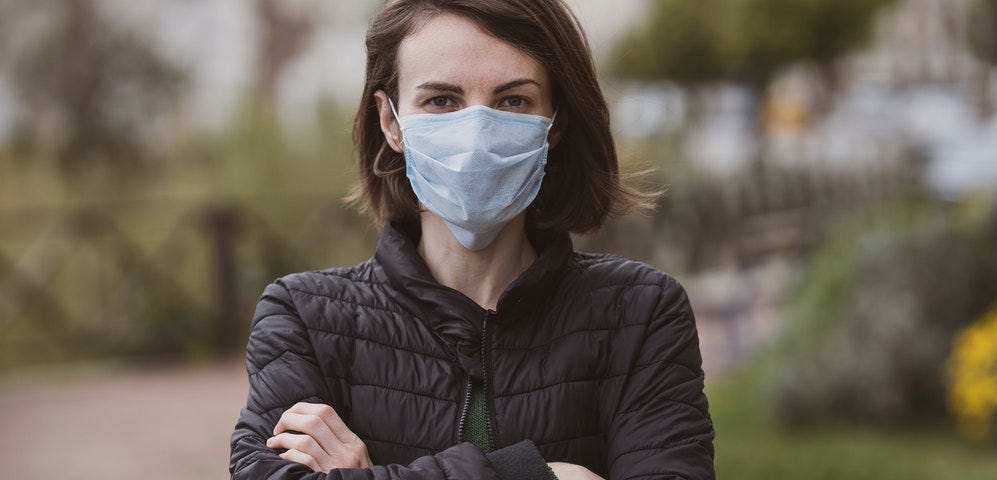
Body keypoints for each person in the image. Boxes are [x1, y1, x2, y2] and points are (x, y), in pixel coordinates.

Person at [228, 1, 716, 479]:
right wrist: (533, 474)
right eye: (441, 100)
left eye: (513, 101)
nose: (477, 133)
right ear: (391, 122)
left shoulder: (639, 312)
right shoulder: (305, 319)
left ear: (556, 122)